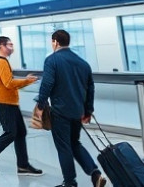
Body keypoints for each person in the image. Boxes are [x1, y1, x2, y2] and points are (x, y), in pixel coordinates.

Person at [34, 30, 107, 187]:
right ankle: (95, 173)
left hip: (60, 111)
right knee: (75, 143)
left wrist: (40, 105)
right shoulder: (82, 63)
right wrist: (88, 111)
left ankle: (70, 182)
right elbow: (90, 88)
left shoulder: (52, 60)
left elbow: (47, 84)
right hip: (77, 112)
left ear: (55, 42)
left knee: (64, 147)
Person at [0, 36, 42, 178]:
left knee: (20, 132)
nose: (12, 48)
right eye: (9, 45)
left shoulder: (1, 62)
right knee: (11, 132)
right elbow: (8, 83)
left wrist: (25, 80)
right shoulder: (0, 62)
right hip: (4, 103)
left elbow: (7, 82)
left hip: (10, 103)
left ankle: (23, 165)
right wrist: (27, 81)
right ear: (1, 46)